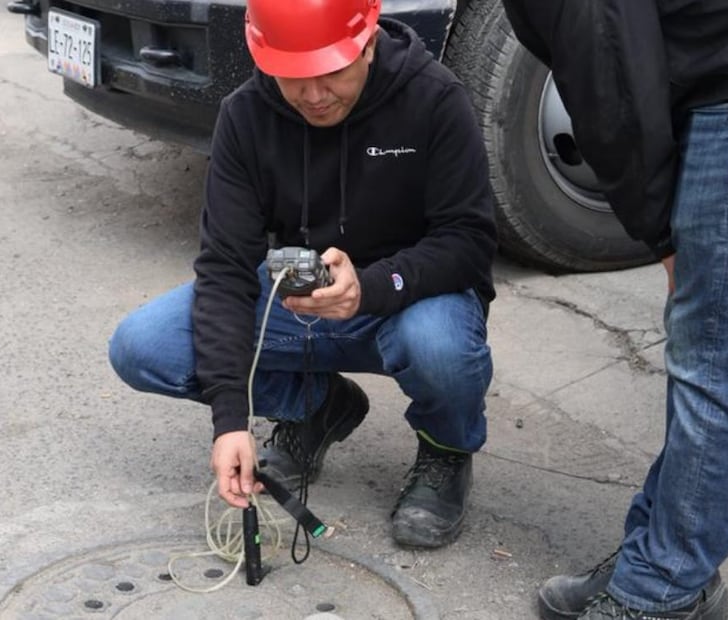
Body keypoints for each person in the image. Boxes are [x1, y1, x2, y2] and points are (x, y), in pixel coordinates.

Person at [498, 1, 728, 618]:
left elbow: (612, 88)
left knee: (718, 358)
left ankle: (664, 589)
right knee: (712, 349)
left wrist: (662, 237)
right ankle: (658, 553)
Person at [108, 0, 497, 549]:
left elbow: (470, 241)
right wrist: (230, 420)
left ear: (366, 43)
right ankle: (317, 406)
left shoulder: (434, 98)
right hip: (299, 297)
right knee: (143, 346)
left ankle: (446, 450)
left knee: (439, 346)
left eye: (330, 73)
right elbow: (226, 270)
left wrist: (375, 286)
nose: (313, 96)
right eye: (292, 77)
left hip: (408, 296)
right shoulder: (245, 115)